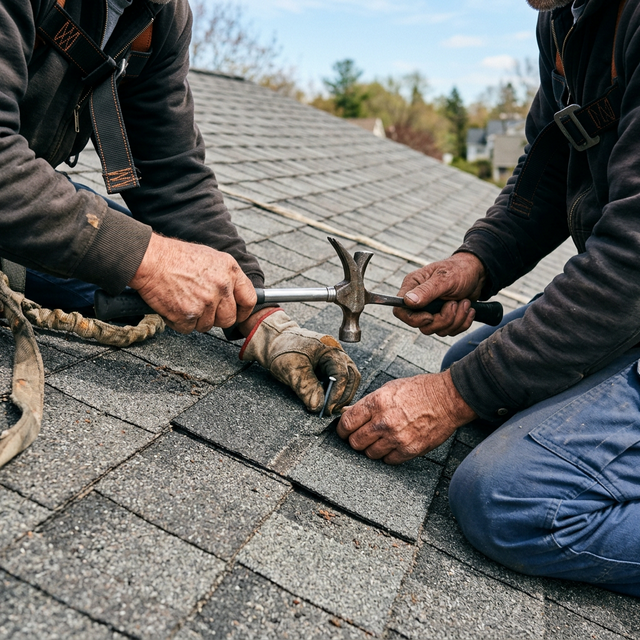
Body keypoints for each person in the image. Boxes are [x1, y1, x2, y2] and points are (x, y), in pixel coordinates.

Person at [338, 0, 640, 596]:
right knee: (471, 370)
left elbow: (632, 261)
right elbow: (547, 175)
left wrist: (453, 398)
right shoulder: (565, 17)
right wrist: (474, 266)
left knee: (505, 498)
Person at [0, 0, 360, 417]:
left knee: (145, 269)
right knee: (136, 257)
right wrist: (149, 259)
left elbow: (171, 175)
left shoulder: (158, 15)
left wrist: (263, 321)